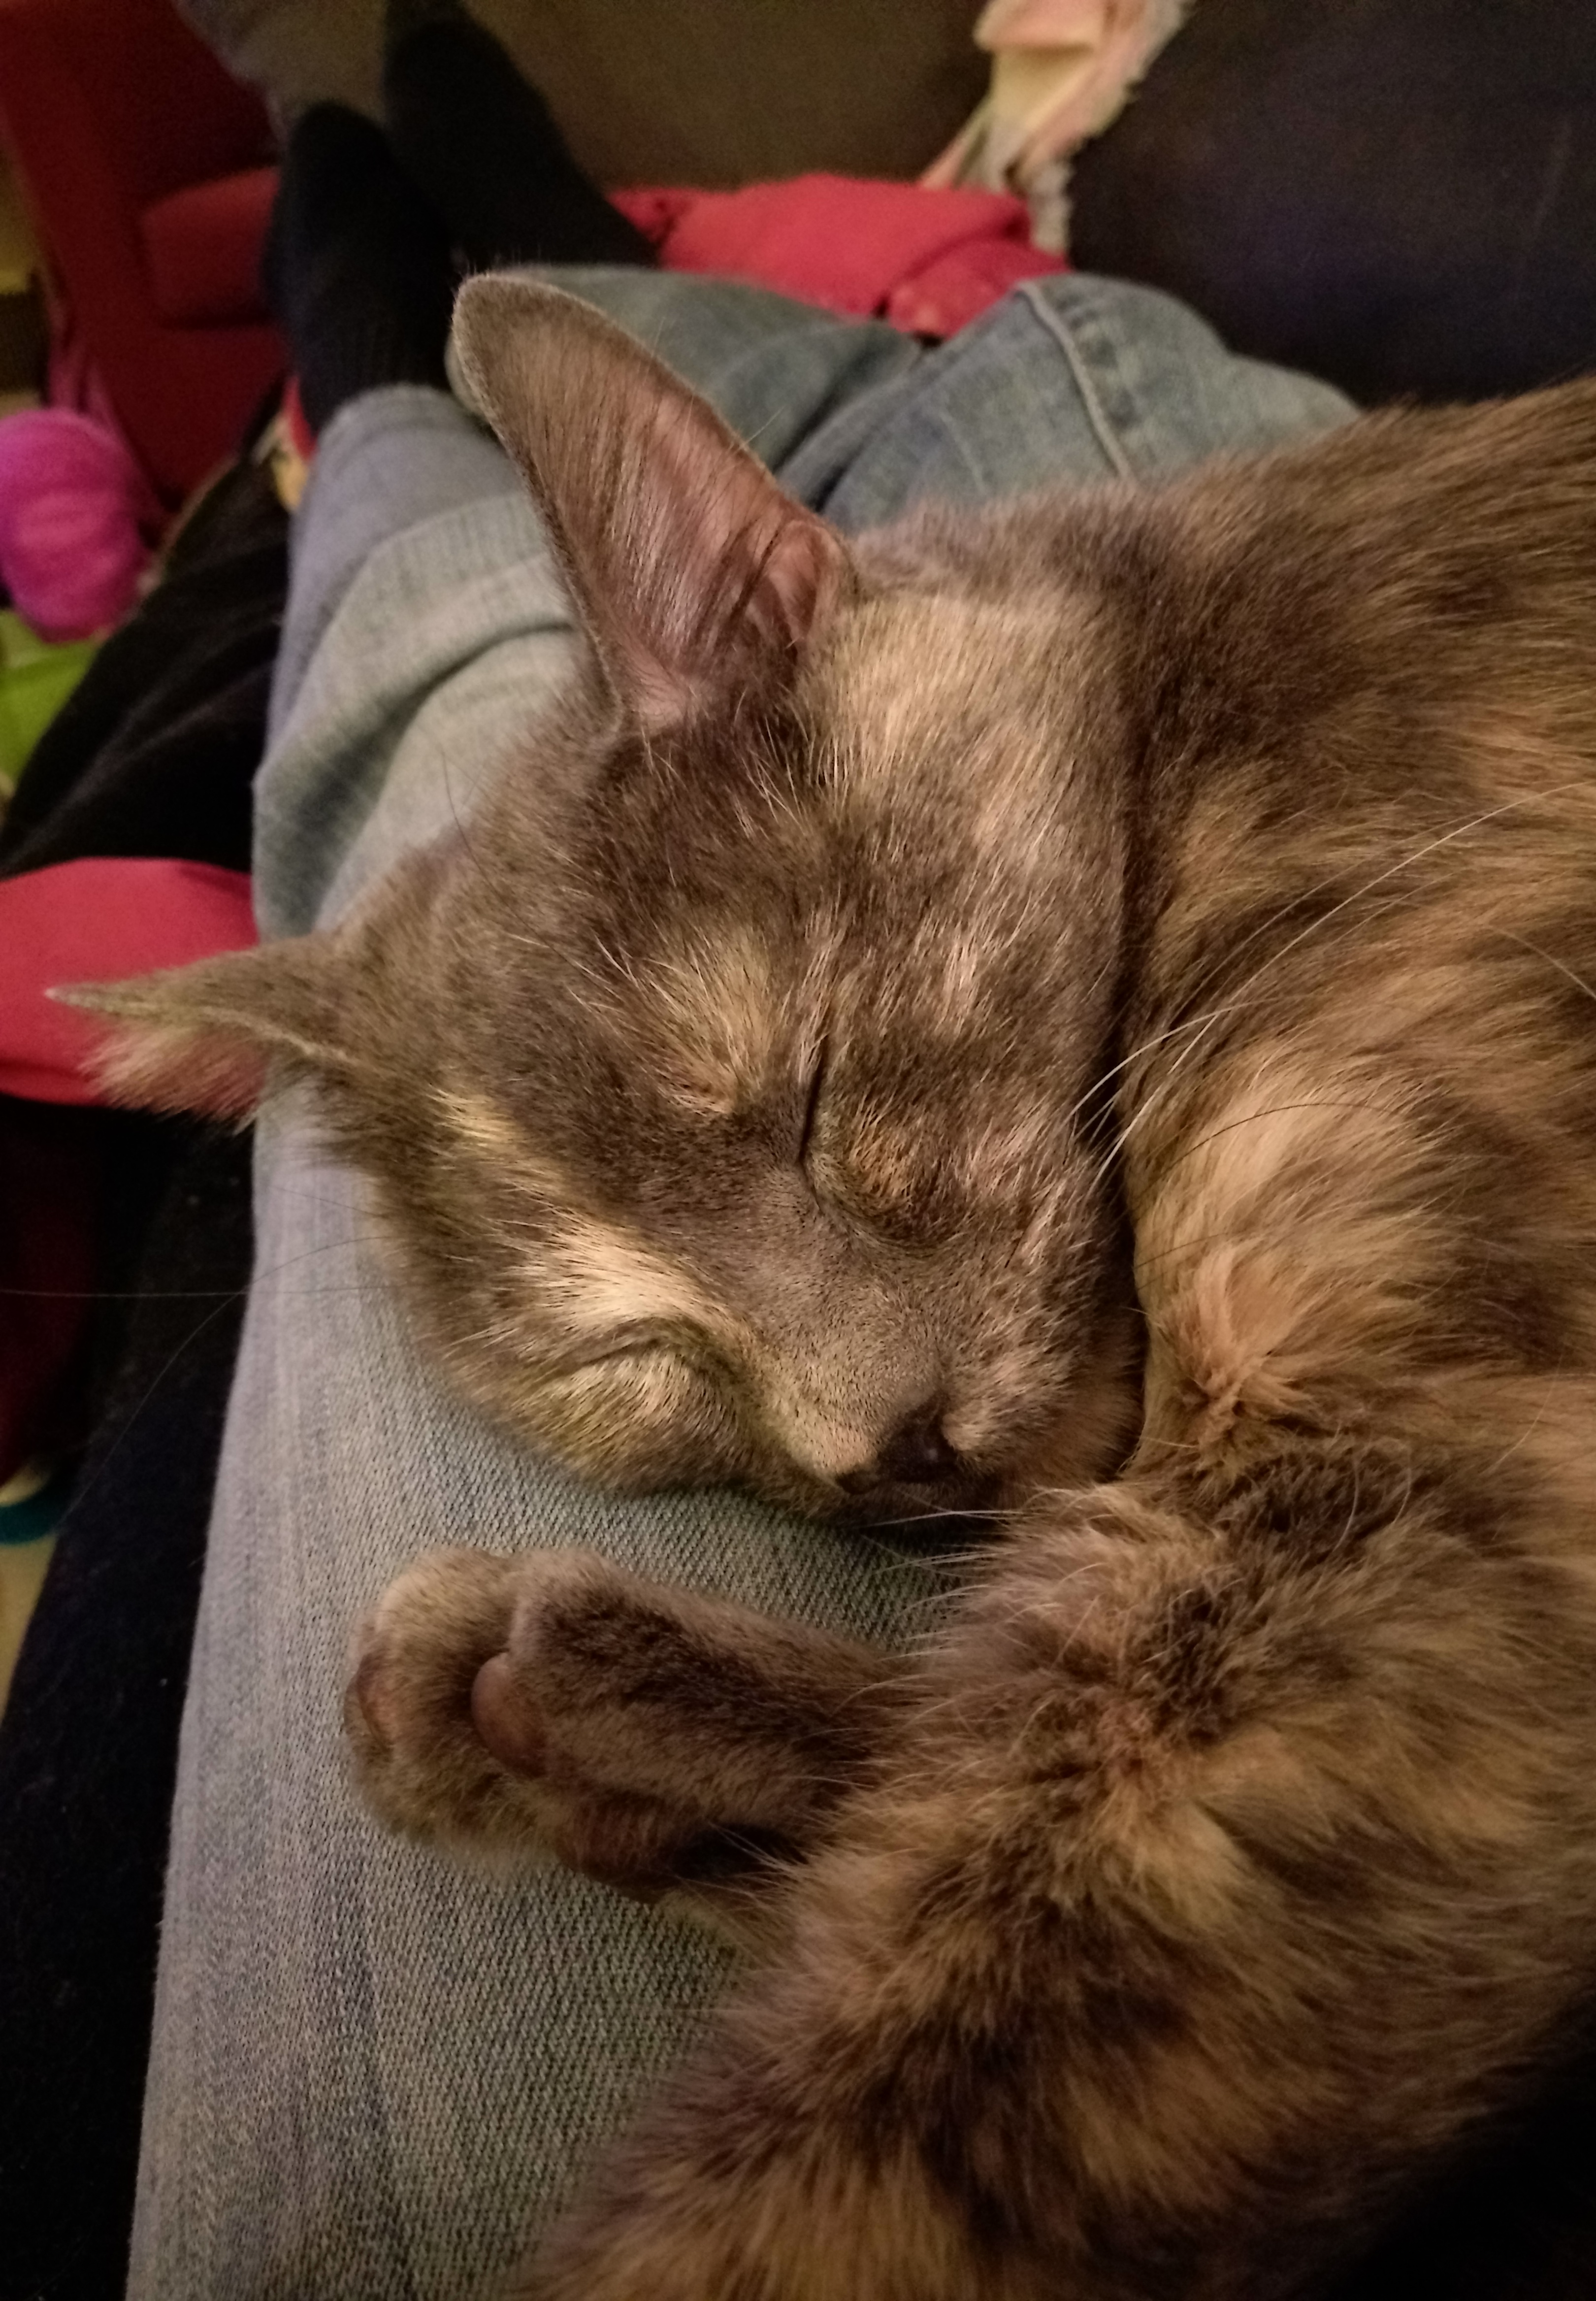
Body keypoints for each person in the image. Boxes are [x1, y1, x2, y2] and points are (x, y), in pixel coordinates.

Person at [125, 7, 1351, 2295]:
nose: (833, 1429)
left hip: (1081, 558)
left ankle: (411, 331)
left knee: (447, 654)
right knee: (452, 663)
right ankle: (404, 315)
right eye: (656, 1370)